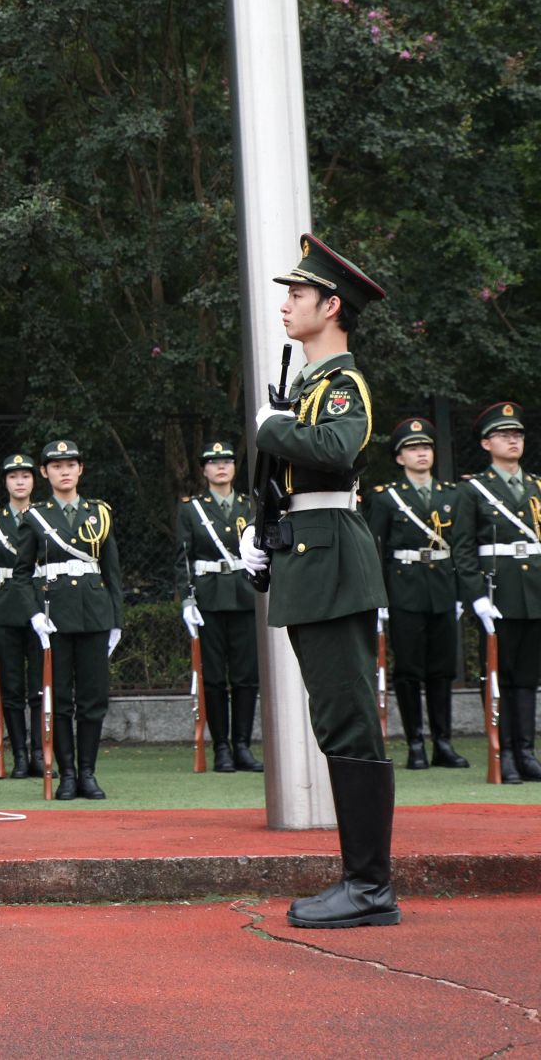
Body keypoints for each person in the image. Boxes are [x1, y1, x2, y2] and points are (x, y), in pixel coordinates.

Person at [239, 233, 397, 929]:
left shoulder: (342, 385)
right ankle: (363, 880)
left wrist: (272, 429)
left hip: (332, 562)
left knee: (349, 718)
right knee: (335, 718)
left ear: (331, 306)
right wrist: (261, 531)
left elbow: (337, 448)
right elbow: (292, 480)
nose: (286, 305)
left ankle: (370, 885)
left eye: (298, 294)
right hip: (310, 557)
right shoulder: (307, 386)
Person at [365, 418, 472, 771]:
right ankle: (415, 743)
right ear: (400, 458)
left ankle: (443, 742)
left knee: (442, 670)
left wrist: (461, 593)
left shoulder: (451, 494)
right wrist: (379, 596)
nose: (421, 453)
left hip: (442, 587)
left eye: (425, 447)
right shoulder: (387, 497)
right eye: (412, 448)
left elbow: (461, 547)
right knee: (409, 670)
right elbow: (375, 549)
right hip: (404, 589)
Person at [24, 438, 123, 801]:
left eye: (70, 465)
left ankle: (88, 773)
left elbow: (112, 571)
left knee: (94, 698)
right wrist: (35, 613)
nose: (64, 472)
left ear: (80, 469)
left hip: (94, 614)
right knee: (60, 699)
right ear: (44, 472)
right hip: (55, 617)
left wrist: (116, 619)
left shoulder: (100, 513)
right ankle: (67, 774)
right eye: (56, 466)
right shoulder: (35, 517)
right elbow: (21, 574)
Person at [459, 401, 541, 783]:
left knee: (527, 676)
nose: (513, 440)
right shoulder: (474, 490)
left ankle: (526, 752)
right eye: (504, 435)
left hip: (533, 593)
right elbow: (462, 549)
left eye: (517, 434)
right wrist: (476, 596)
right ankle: (503, 752)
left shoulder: (536, 487)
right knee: (499, 676)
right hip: (498, 594)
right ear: (486, 443)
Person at [179, 441, 262, 774]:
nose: (221, 467)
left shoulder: (249, 505)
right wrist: (187, 599)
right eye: (214, 462)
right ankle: (222, 748)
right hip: (209, 599)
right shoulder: (192, 509)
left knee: (246, 676)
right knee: (213, 677)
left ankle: (242, 745)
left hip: (244, 596)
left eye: (227, 461)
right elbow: (182, 559)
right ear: (204, 470)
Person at [0, 453, 41, 779]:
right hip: (4, 608)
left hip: (39, 608)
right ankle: (20, 755)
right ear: (5, 482)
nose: (19, 482)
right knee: (12, 687)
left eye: (25, 476)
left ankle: (41, 753)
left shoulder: (44, 518)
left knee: (40, 687)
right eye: (13, 477)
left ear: (34, 481)